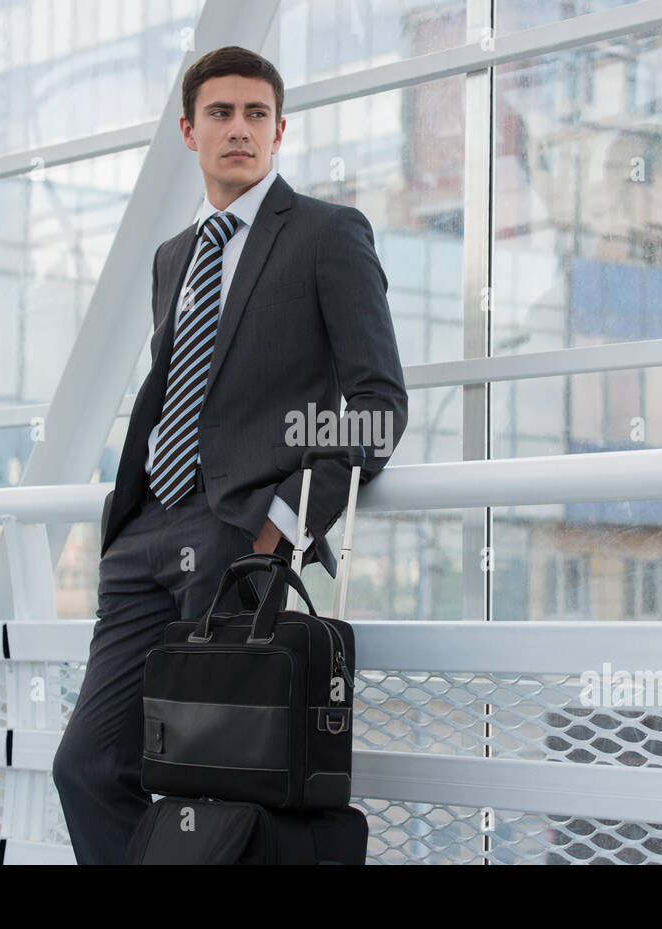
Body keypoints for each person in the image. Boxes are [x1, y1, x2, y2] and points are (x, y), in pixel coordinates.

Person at [51, 45, 408, 864]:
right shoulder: (174, 256)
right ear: (189, 131)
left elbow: (379, 410)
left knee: (219, 780)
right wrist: (129, 524)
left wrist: (280, 523)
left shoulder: (327, 234)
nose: (238, 129)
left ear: (279, 130)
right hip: (145, 537)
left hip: (239, 540)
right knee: (89, 765)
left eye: (255, 114)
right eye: (220, 113)